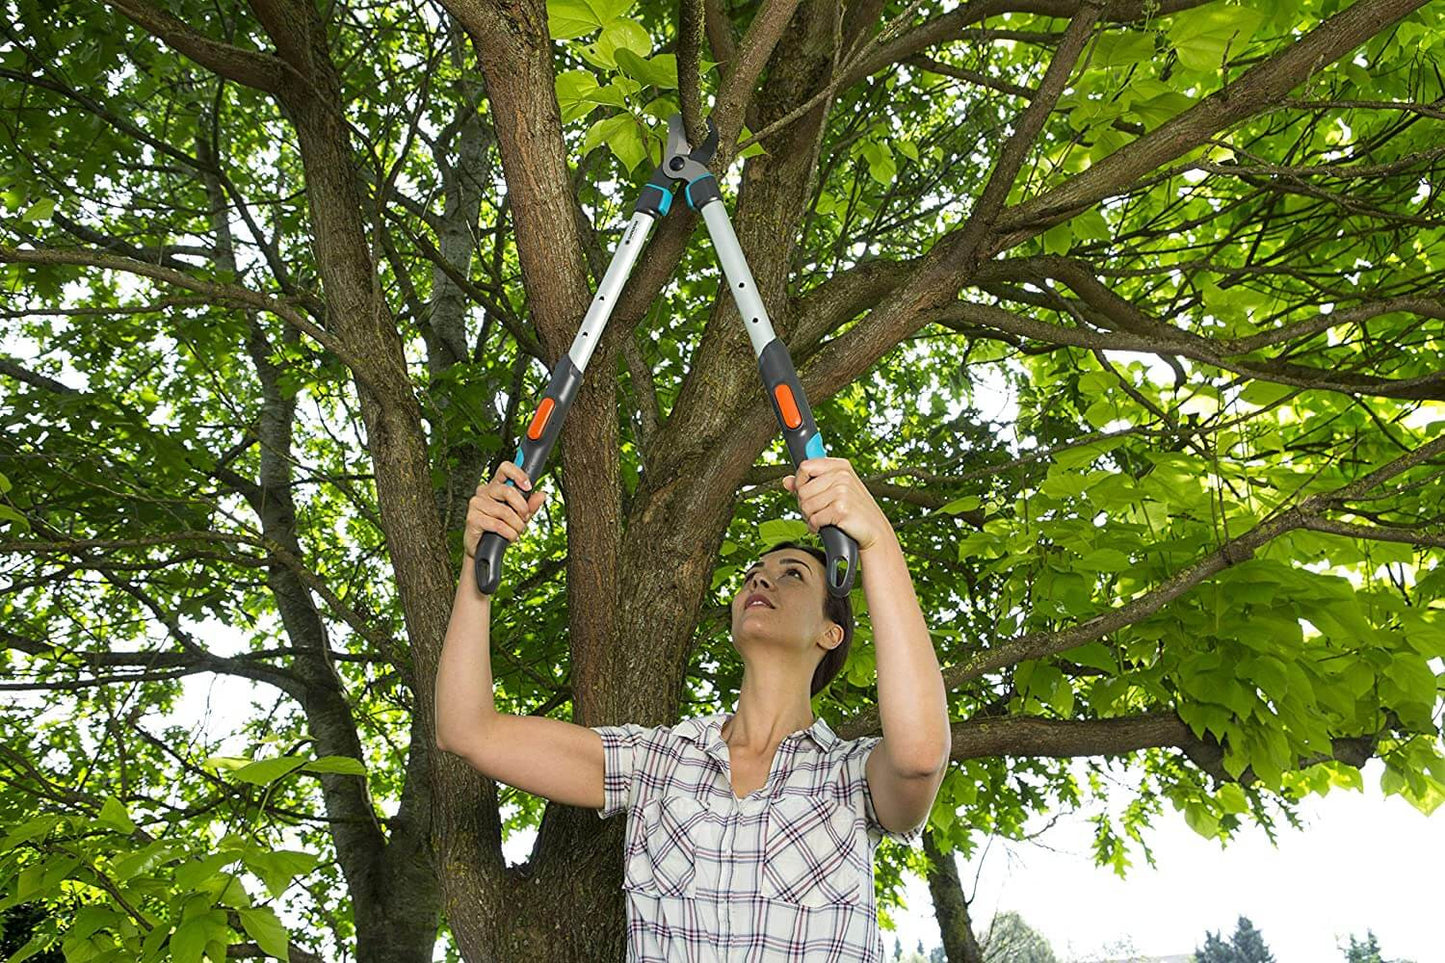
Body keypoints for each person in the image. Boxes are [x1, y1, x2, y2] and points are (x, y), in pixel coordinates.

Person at [435, 456, 952, 962]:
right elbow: (467, 730)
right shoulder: (657, 763)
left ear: (830, 633)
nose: (760, 581)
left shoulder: (851, 778)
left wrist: (876, 542)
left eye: (792, 575)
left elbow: (920, 756)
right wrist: (478, 562)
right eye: (752, 575)